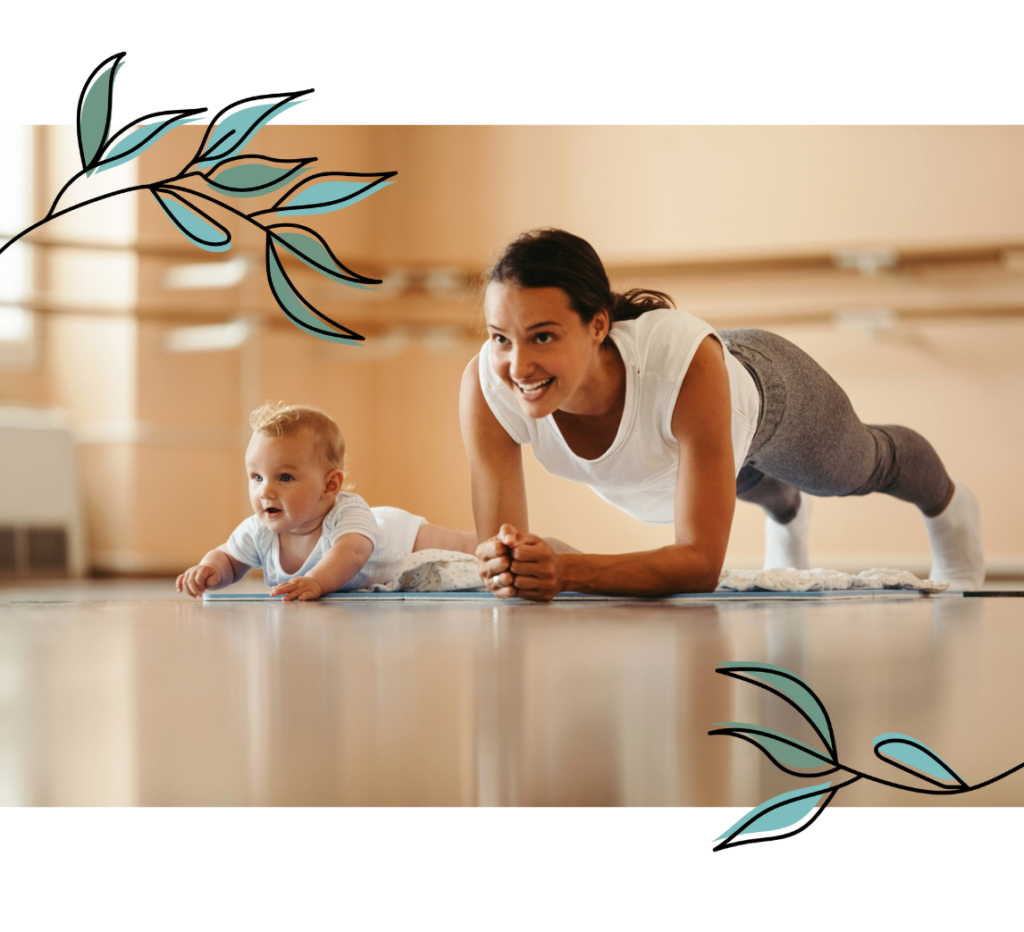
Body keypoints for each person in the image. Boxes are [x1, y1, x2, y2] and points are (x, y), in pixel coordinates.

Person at [461, 229, 985, 602]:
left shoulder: (683, 369)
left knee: (861, 466)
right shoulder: (488, 387)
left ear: (598, 325)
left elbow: (699, 563)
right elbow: (498, 552)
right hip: (700, 425)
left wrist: (566, 568)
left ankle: (953, 511)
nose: (518, 365)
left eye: (543, 336)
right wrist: (511, 564)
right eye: (500, 338)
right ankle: (787, 513)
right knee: (740, 477)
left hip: (767, 394)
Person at [177, 403, 478, 601]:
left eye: (284, 478)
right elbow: (230, 558)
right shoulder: (259, 531)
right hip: (371, 538)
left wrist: (316, 581)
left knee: (463, 546)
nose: (265, 491)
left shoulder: (346, 514)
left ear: (329, 485)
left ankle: (507, 542)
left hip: (393, 535)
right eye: (256, 477)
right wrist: (210, 571)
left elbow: (352, 554)